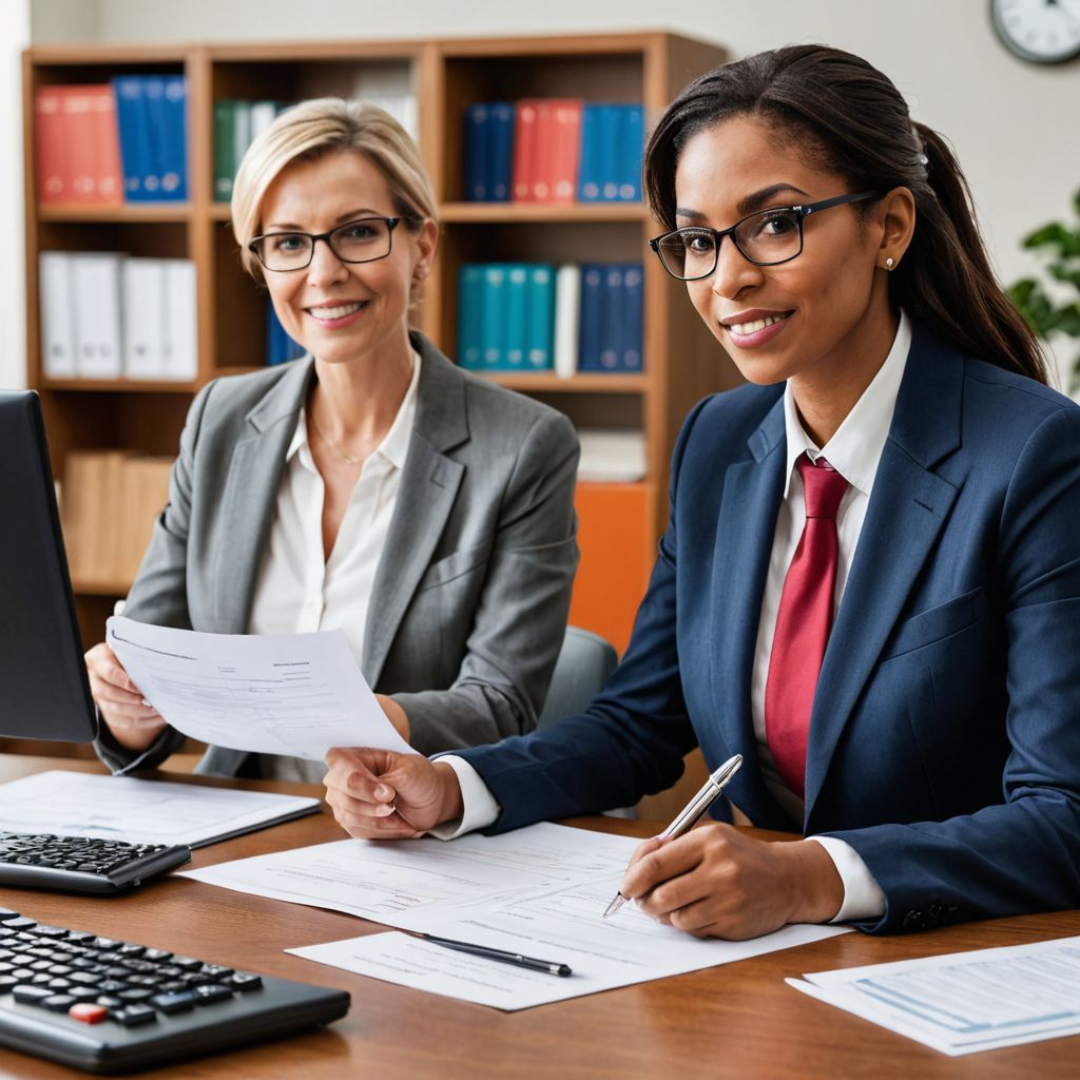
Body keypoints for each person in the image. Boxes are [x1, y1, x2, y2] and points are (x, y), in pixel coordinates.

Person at [322, 44, 1080, 938]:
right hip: (744, 965)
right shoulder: (718, 442)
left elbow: (1063, 817)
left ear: (891, 227)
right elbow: (638, 724)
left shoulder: (1035, 457)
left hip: (945, 961)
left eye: (776, 222)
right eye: (696, 239)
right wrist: (455, 786)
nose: (728, 278)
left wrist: (809, 878)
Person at [86, 98, 579, 780]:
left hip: (410, 837)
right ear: (261, 264)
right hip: (238, 824)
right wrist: (127, 707)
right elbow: (153, 654)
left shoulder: (523, 446)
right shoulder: (221, 420)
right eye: (288, 242)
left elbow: (500, 703)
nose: (322, 273)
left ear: (422, 247)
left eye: (356, 232)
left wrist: (343, 725)